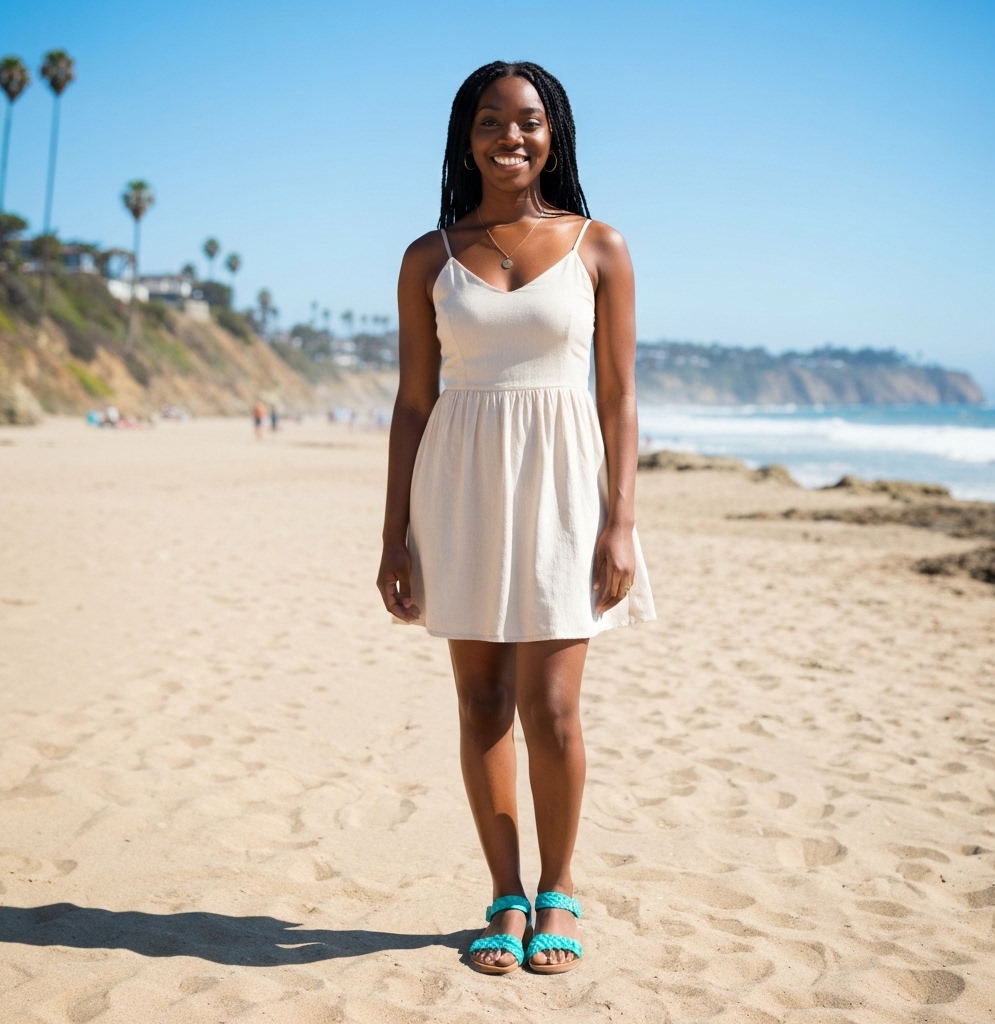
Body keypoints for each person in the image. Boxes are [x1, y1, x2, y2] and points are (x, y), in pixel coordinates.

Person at [376, 60, 655, 976]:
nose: (512, 136)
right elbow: (413, 403)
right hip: (459, 490)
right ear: (468, 137)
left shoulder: (599, 247)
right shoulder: (430, 256)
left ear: (554, 135)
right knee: (481, 700)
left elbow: (617, 398)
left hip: (566, 490)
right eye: (492, 121)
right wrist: (392, 537)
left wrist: (621, 522)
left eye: (530, 122)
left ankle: (559, 885)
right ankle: (504, 893)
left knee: (557, 705)